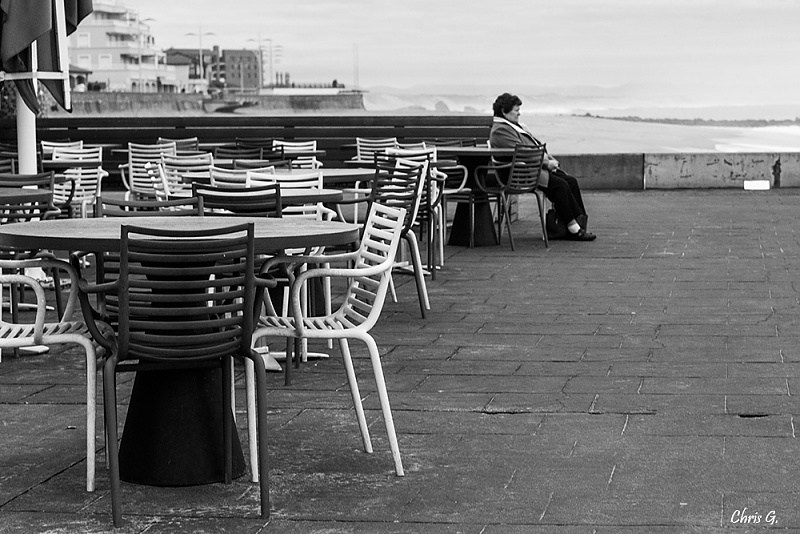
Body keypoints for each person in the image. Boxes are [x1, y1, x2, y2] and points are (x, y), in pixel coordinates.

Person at [489, 93, 595, 241]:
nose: (519, 113)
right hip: (519, 174)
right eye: (516, 110)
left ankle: (578, 223)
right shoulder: (500, 130)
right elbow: (523, 152)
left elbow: (533, 148)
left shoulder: (511, 126)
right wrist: (546, 163)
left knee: (571, 181)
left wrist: (549, 160)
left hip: (528, 169)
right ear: (504, 111)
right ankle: (573, 228)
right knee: (560, 186)